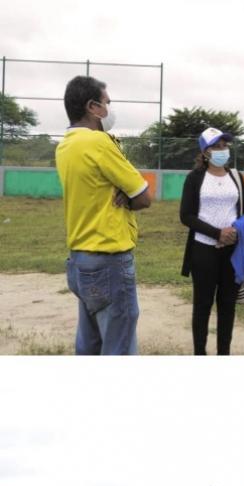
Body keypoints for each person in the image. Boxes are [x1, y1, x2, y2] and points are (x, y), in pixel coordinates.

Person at [54, 75, 153, 355]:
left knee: (89, 345)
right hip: (109, 260)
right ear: (93, 107)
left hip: (80, 260)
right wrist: (128, 195)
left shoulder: (65, 145)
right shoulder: (99, 142)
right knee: (118, 349)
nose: (110, 109)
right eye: (107, 103)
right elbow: (143, 196)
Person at [179, 127, 244, 355]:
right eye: (216, 146)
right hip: (203, 251)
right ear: (205, 151)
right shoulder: (195, 178)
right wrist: (217, 233)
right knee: (202, 305)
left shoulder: (236, 177)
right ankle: (200, 353)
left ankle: (224, 353)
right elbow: (186, 216)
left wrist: (235, 230)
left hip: (233, 251)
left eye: (225, 146)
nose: (222, 150)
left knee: (227, 305)